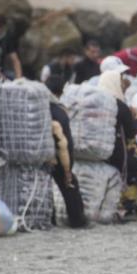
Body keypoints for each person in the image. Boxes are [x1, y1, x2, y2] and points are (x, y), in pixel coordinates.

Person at [97, 70, 137, 221]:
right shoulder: (118, 105)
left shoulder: (95, 102)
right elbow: (131, 132)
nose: (122, 84)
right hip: (116, 154)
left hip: (99, 153)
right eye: (120, 81)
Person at [44, 75, 87, 228]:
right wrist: (67, 169)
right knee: (70, 186)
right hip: (57, 158)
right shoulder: (58, 112)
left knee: (45, 189)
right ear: (61, 91)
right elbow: (63, 143)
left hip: (42, 158)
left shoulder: (40, 109)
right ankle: (78, 222)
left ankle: (51, 221)